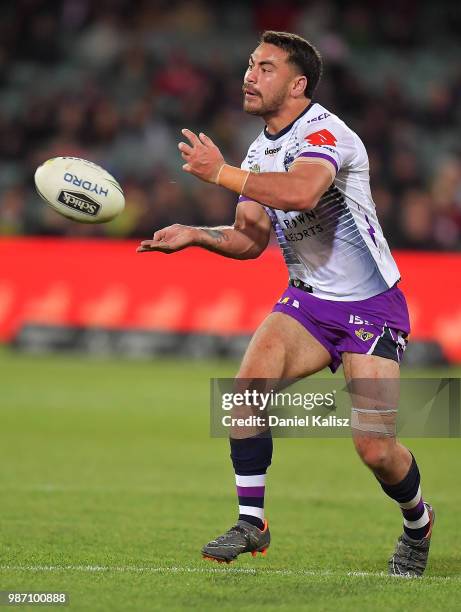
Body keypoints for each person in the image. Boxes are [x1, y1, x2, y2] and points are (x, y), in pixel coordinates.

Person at [137, 31, 434, 577]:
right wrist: (195, 233)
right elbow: (251, 239)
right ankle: (253, 521)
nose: (250, 75)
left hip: (370, 306)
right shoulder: (259, 150)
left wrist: (219, 173)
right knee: (244, 396)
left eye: (266, 67)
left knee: (375, 448)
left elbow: (300, 193)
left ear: (297, 84)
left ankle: (417, 524)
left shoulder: (327, 133)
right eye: (250, 63)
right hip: (309, 303)